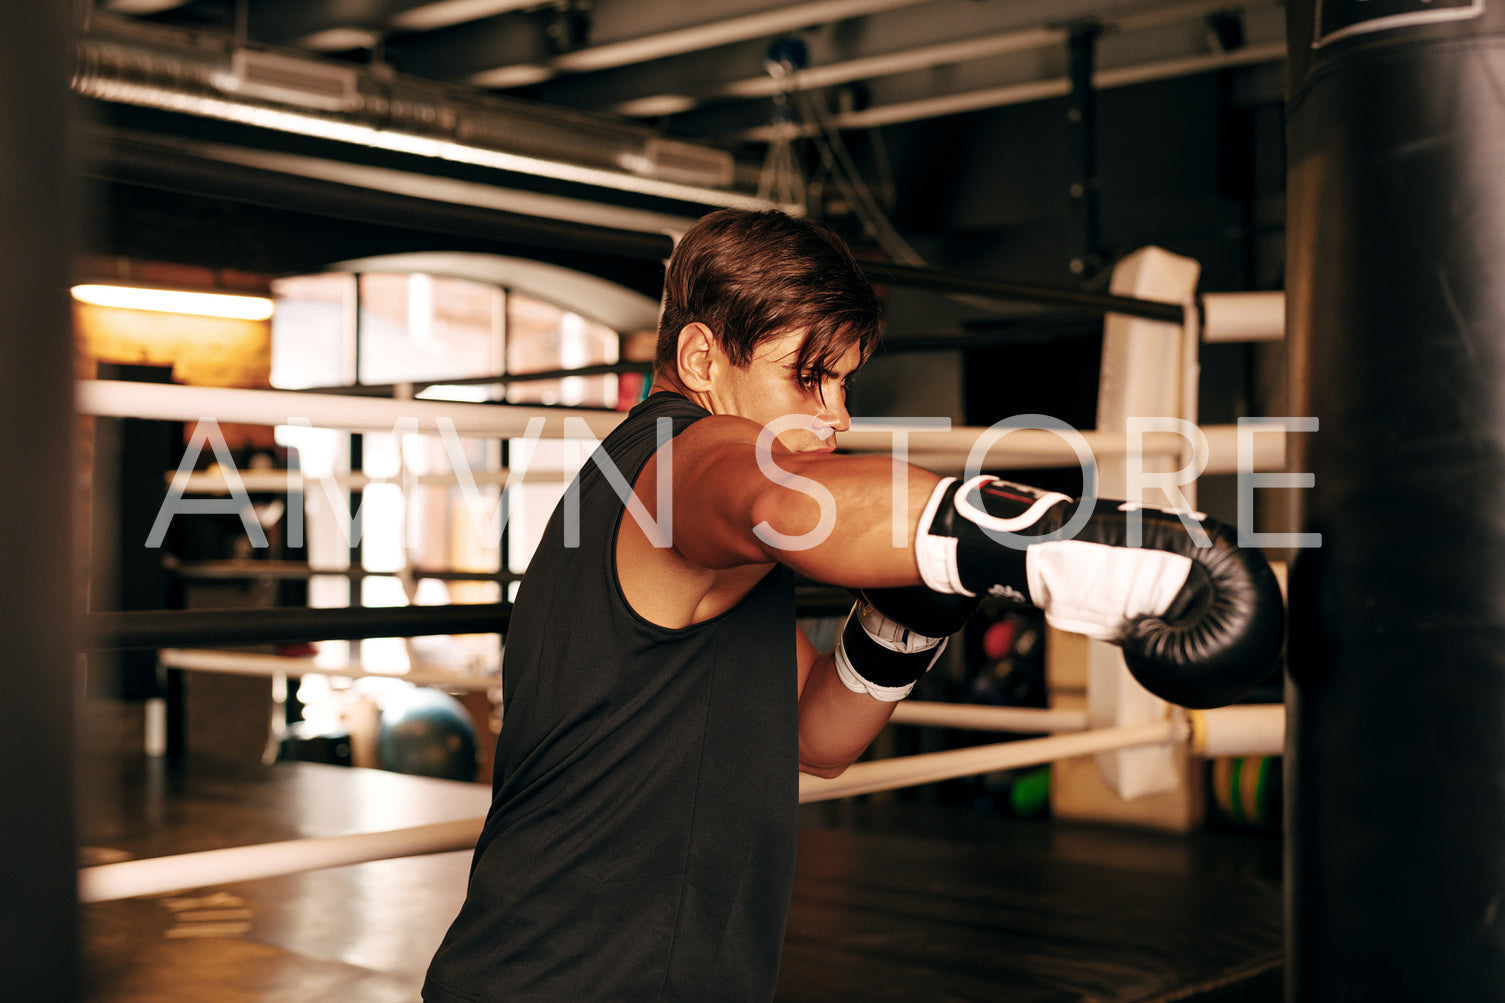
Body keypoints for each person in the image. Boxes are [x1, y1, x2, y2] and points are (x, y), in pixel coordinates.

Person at [422, 209, 1282, 1002]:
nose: (835, 414)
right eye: (808, 376)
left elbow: (813, 737)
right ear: (699, 362)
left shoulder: (704, 534)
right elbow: (783, 498)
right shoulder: (680, 459)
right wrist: (1081, 549)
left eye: (844, 382)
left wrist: (907, 618)